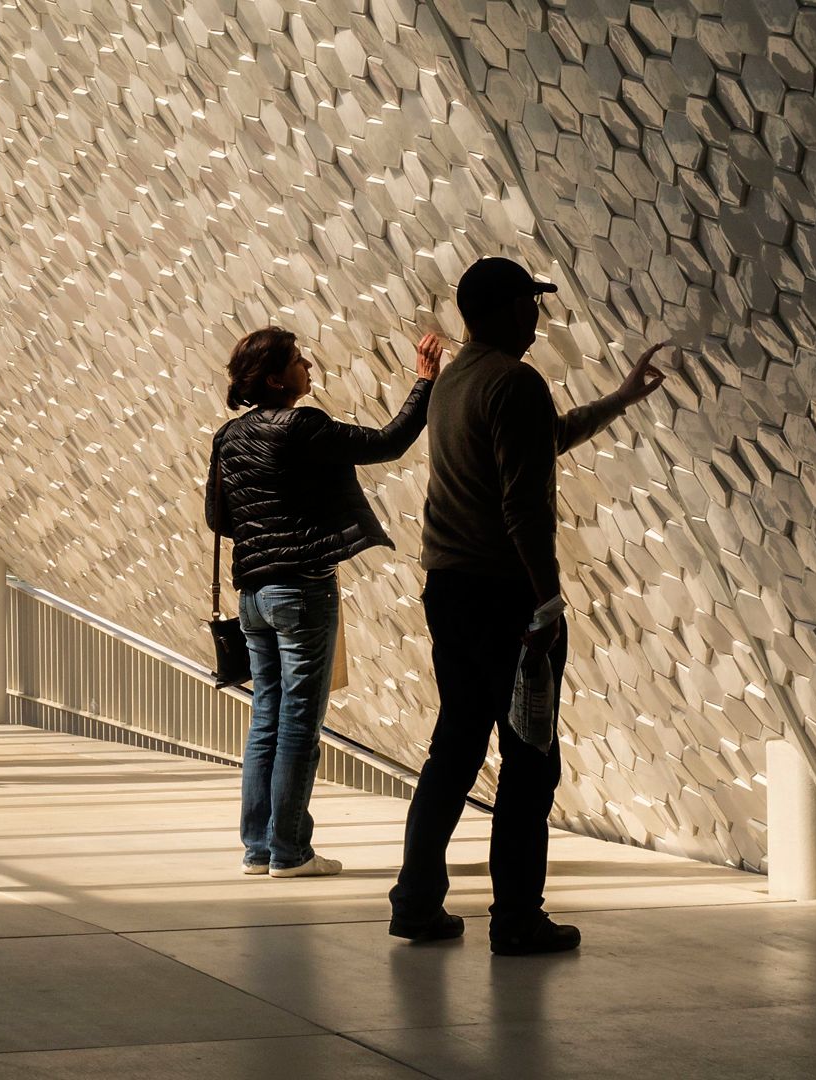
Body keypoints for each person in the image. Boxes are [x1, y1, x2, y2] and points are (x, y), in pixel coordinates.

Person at [388, 257, 669, 954]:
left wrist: (622, 397)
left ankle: (416, 902)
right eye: (531, 303)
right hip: (505, 595)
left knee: (453, 748)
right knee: (530, 755)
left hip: (448, 586)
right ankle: (516, 917)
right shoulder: (514, 381)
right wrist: (546, 604)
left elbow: (546, 442)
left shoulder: (454, 380)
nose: (538, 316)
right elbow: (522, 507)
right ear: (510, 309)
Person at [206, 328, 443, 878]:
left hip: (254, 596)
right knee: (298, 723)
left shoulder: (227, 437)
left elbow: (218, 519)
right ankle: (289, 852)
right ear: (274, 378)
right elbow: (386, 443)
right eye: (296, 360)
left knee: (266, 718)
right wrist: (424, 382)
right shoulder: (302, 426)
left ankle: (258, 848)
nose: (307, 364)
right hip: (302, 590)